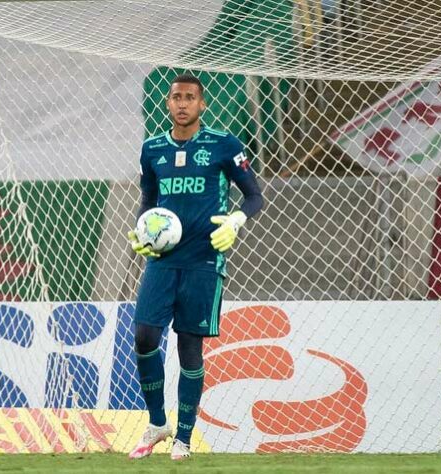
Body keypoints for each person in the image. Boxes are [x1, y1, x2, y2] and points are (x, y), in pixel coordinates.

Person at [127, 74, 263, 460]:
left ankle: (183, 438)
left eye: (190, 97)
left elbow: (254, 196)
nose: (183, 103)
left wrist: (236, 221)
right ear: (167, 104)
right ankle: (158, 423)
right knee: (144, 336)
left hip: (204, 261)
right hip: (163, 262)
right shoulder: (152, 149)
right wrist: (143, 232)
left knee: (189, 349)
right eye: (176, 97)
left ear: (202, 105)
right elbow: (148, 201)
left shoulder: (224, 145)